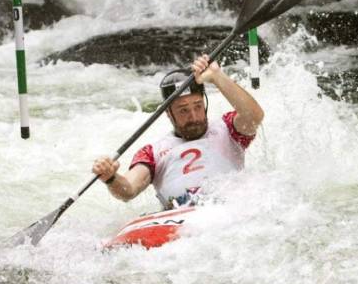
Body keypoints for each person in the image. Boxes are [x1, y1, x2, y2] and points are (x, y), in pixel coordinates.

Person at [92, 54, 264, 210]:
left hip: (230, 208)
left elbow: (255, 116)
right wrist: (111, 178)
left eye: (198, 106)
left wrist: (217, 77)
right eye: (183, 110)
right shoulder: (153, 153)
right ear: (168, 113)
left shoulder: (228, 129)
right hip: (179, 217)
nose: (194, 116)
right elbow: (128, 189)